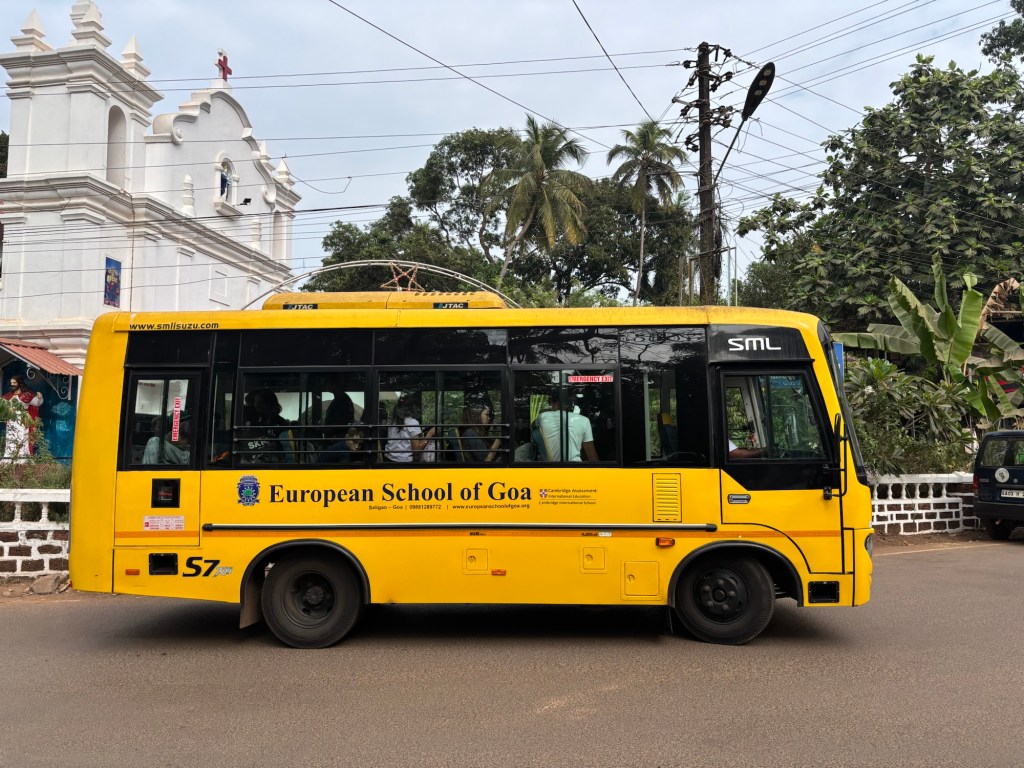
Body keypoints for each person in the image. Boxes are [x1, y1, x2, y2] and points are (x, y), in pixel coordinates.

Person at [536, 394, 598, 462]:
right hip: (575, 466)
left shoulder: (542, 417)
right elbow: (592, 457)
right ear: (570, 404)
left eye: (550, 404)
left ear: (555, 404)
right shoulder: (584, 420)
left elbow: (534, 428)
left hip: (550, 467)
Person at [384, 395, 436, 463]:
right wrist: (430, 433)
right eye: (418, 407)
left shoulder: (394, 421)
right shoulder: (412, 422)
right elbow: (416, 450)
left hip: (388, 460)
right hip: (404, 463)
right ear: (413, 408)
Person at [3, 374, 43, 457]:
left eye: (14, 383)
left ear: (19, 383)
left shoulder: (26, 395)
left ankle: (22, 458)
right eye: (11, 383)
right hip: (11, 421)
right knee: (10, 438)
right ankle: (9, 457)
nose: (12, 384)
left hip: (22, 420)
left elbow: (37, 403)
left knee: (22, 437)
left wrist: (40, 398)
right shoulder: (7, 396)